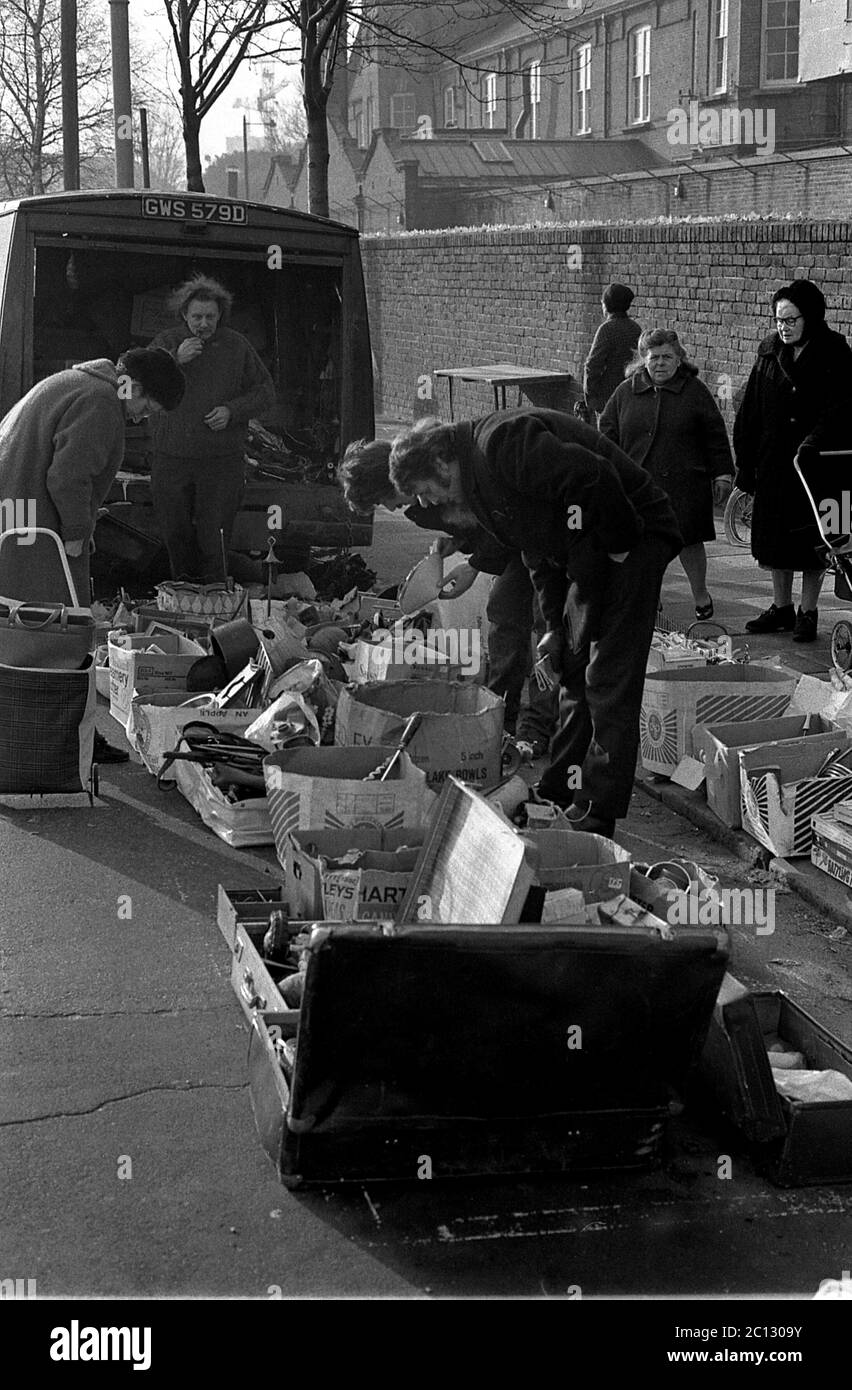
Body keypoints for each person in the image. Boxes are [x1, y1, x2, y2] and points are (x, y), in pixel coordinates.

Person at [388, 409, 682, 837]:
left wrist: (619, 546)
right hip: (591, 553)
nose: (428, 504)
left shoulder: (502, 444)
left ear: (438, 461)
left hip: (633, 535)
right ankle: (561, 788)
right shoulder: (478, 487)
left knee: (608, 677)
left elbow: (590, 475)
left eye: (424, 491)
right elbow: (534, 549)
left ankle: (599, 810)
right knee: (571, 665)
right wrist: (553, 626)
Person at [0, 347, 186, 762]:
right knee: (59, 627)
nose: (143, 415)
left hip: (18, 515)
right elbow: (67, 476)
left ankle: (54, 731)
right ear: (131, 386)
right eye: (149, 404)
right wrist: (77, 533)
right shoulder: (102, 403)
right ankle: (67, 736)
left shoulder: (77, 383)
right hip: (34, 525)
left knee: (20, 625)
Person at [337, 438, 558, 757]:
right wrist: (458, 542)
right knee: (504, 616)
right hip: (510, 546)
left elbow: (501, 518)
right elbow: (481, 530)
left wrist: (474, 564)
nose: (389, 508)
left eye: (384, 498)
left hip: (539, 533)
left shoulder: (445, 470)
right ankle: (499, 724)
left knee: (544, 626)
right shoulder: (418, 509)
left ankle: (537, 728)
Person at [734, 279, 852, 643]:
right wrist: (746, 460)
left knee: (816, 538)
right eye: (778, 319)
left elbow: (842, 407)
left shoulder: (834, 351)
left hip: (818, 464)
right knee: (774, 538)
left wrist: (815, 443)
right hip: (774, 461)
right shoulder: (768, 350)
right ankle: (781, 606)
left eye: (790, 319)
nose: (783, 327)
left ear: (810, 317)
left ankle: (808, 611)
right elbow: (751, 405)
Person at [599, 328, 734, 620]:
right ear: (643, 360)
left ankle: (700, 595)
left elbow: (715, 435)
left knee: (688, 541)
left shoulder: (694, 390)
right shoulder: (626, 392)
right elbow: (606, 434)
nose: (660, 363)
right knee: (644, 544)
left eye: (667, 357)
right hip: (640, 484)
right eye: (653, 357)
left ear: (678, 359)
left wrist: (722, 473)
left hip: (686, 483)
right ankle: (652, 598)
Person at [149, 274, 276, 583]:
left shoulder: (236, 345)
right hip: (171, 457)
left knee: (215, 535)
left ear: (220, 315)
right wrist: (174, 360)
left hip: (221, 461)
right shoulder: (166, 342)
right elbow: (133, 381)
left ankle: (215, 596)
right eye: (196, 317)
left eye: (210, 317)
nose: (203, 324)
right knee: (175, 534)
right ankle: (180, 594)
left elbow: (265, 393)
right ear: (184, 315)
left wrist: (232, 411)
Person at [583, 282, 642, 420]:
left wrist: (590, 398)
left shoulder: (606, 329)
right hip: (630, 395)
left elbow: (592, 365)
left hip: (607, 398)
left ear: (607, 305)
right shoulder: (635, 328)